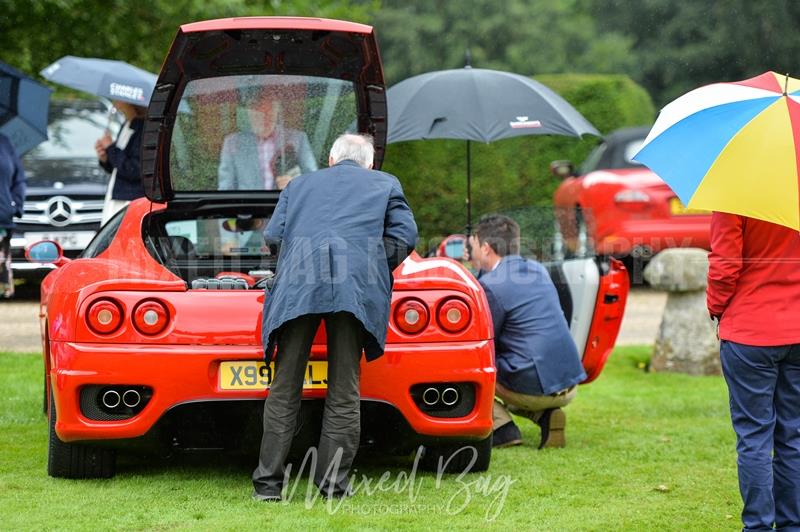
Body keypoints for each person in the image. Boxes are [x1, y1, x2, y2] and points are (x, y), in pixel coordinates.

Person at [252, 133, 417, 501]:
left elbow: (274, 235)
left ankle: (267, 487)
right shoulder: (385, 184)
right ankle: (332, 486)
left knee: (284, 388)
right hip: (354, 290)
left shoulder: (298, 184)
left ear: (330, 158)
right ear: (369, 163)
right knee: (344, 390)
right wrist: (368, 263)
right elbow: (406, 235)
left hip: (298, 284)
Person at [707, 211, 800, 531]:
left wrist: (715, 307)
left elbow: (725, 264)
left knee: (754, 437)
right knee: (793, 436)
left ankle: (758, 526)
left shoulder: (736, 184)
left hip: (750, 331)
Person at [467, 214, 586, 449]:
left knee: (469, 366)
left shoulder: (490, 287)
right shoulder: (537, 270)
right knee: (512, 360)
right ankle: (545, 417)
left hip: (533, 385)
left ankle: (502, 429)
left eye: (472, 247)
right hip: (569, 382)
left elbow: (484, 341)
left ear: (486, 248)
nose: (471, 254)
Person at [218, 88, 317, 191]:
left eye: (269, 114)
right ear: (250, 115)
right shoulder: (233, 143)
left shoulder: (297, 139)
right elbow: (226, 189)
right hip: (246, 206)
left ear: (277, 113)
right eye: (259, 115)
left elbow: (314, 182)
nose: (265, 120)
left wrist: (296, 184)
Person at [95, 100, 146, 224]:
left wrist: (111, 148)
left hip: (129, 201)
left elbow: (134, 170)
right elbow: (117, 168)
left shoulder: (143, 128)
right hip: (116, 198)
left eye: (118, 99)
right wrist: (105, 158)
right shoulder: (126, 124)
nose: (114, 101)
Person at [0, 133, 25, 299]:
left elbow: (19, 178)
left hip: (2, 218)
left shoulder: (4, 141)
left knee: (2, 289)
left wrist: (15, 204)